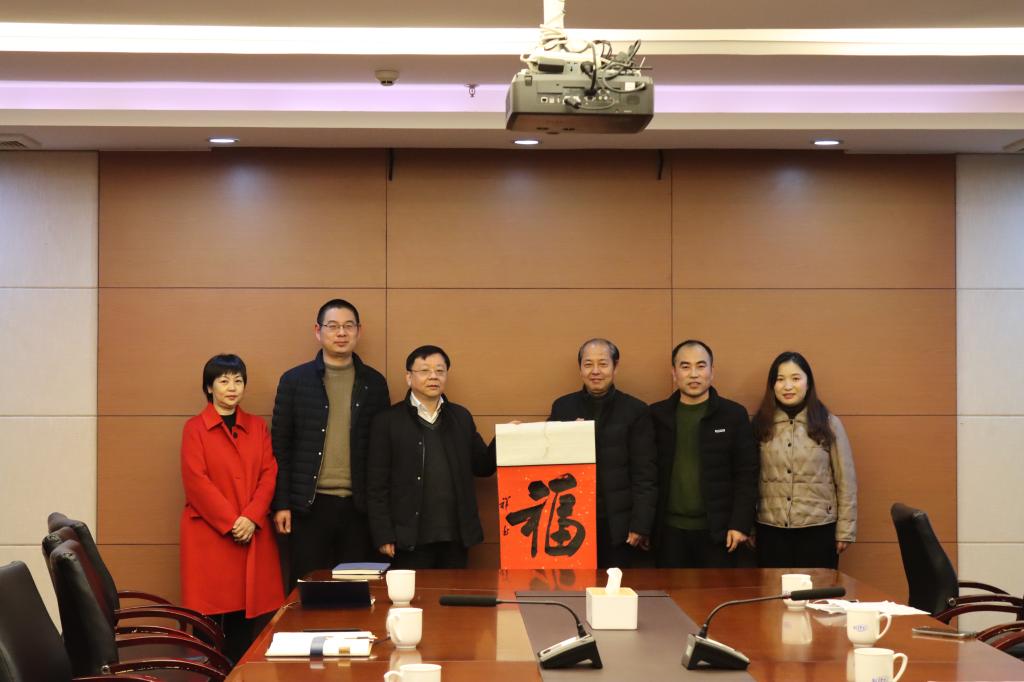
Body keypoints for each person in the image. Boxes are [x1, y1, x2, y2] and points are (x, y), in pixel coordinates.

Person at [271, 299, 390, 586]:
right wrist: (281, 503)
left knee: (357, 591)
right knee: (307, 589)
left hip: (358, 508)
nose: (341, 333)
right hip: (309, 506)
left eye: (348, 326)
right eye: (333, 326)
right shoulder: (294, 381)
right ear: (318, 331)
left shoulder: (374, 383)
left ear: (359, 331)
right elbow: (280, 447)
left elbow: (382, 452)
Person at [180, 354, 283, 664]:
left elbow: (269, 473)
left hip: (251, 532)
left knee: (243, 618)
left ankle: (237, 674)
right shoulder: (195, 428)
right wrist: (231, 521)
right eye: (224, 381)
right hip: (209, 536)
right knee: (207, 620)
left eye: (238, 381)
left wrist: (251, 517)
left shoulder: (257, 426)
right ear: (209, 388)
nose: (232, 387)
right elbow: (196, 481)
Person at [367, 345, 496, 569]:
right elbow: (376, 485)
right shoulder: (387, 421)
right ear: (409, 377)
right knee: (414, 593)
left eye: (440, 370)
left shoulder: (460, 417)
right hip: (408, 537)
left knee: (454, 592)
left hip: (455, 535)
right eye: (425, 370)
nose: (433, 376)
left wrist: (504, 439)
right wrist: (383, 533)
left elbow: (482, 466)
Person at [547, 338, 657, 568]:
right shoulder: (563, 407)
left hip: (619, 524)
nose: (595, 371)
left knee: (615, 585)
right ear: (580, 369)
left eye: (603, 364)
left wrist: (641, 524)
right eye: (588, 364)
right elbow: (546, 456)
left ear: (615, 367)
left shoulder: (635, 410)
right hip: (572, 517)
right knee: (577, 586)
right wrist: (514, 434)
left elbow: (645, 473)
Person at [649, 340, 759, 568]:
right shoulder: (656, 415)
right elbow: (645, 473)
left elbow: (747, 474)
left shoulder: (733, 415)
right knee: (670, 590)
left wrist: (740, 524)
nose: (694, 374)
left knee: (716, 590)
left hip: (719, 532)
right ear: (674, 373)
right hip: (668, 532)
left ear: (712, 371)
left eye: (701, 366)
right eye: (685, 366)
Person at [751, 351, 857, 568]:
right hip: (770, 530)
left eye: (795, 378)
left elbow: (846, 480)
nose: (788, 386)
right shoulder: (760, 424)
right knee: (773, 589)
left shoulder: (829, 424)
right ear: (772, 385)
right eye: (780, 379)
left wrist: (845, 530)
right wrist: (748, 526)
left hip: (819, 530)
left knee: (818, 589)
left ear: (808, 383)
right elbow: (748, 479)